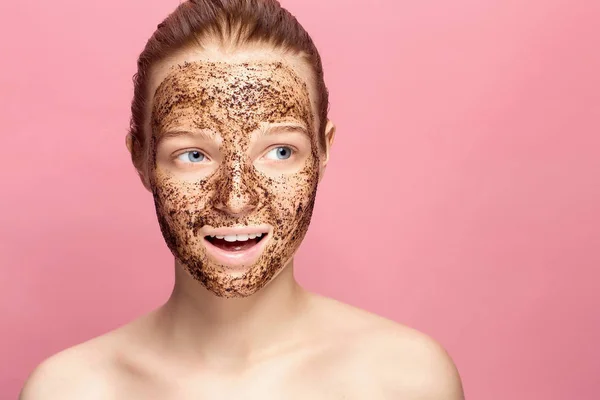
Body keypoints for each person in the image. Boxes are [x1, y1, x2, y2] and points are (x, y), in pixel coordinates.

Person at [20, 0, 464, 398]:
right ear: (142, 159)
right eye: (193, 155)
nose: (235, 198)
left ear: (323, 151)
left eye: (279, 152)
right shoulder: (70, 390)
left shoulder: (406, 381)